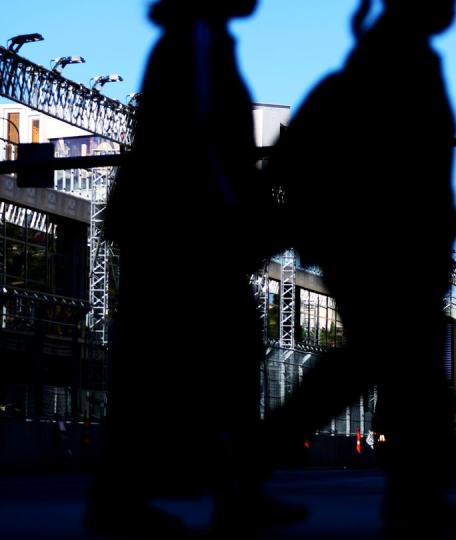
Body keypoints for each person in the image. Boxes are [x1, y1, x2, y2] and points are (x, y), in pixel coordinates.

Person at [84, 0, 303, 535]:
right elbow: (203, 145)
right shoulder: (199, 43)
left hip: (171, 229)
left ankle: (139, 494)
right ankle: (232, 493)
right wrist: (244, 217)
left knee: (160, 367)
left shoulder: (192, 40)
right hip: (188, 231)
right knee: (228, 354)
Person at [265, 0, 456, 530]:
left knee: (399, 367)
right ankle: (257, 459)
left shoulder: (394, 65)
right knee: (386, 363)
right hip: (379, 249)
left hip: (392, 249)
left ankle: (417, 494)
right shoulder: (389, 71)